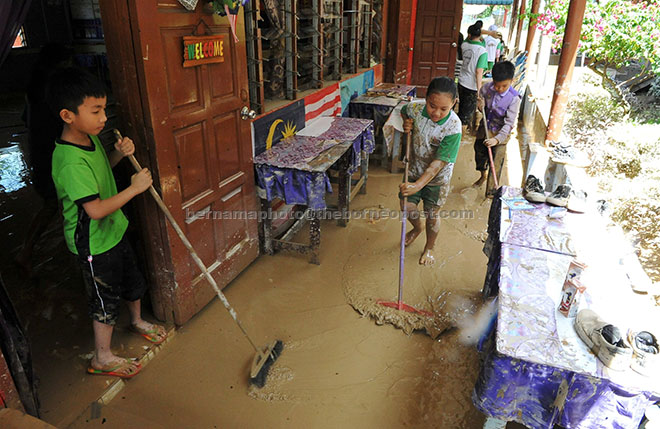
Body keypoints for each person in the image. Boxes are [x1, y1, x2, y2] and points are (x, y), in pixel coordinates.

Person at [47, 67, 167, 378]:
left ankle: (138, 321)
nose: (104, 117)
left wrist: (117, 154)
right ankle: (102, 357)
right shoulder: (70, 161)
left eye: (103, 109)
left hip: (114, 232)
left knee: (132, 280)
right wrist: (135, 187)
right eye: (96, 110)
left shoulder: (90, 138)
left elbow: (102, 172)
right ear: (67, 115)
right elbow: (95, 210)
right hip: (94, 244)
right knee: (105, 300)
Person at [14, 44, 72, 276]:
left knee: (55, 203)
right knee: (52, 204)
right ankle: (25, 252)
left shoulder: (36, 86)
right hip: (50, 155)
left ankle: (27, 252)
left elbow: (26, 120)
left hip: (40, 152)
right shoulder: (52, 90)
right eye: (67, 63)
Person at [399, 76, 462, 266]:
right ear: (425, 99)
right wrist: (406, 123)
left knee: (432, 214)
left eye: (444, 109)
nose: (436, 112)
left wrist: (418, 185)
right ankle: (416, 229)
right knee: (406, 206)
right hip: (414, 168)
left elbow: (439, 163)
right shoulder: (417, 109)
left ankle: (429, 247)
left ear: (454, 103)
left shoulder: (453, 127)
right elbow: (404, 110)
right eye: (432, 106)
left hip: (437, 178)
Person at [472, 61, 521, 193]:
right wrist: (480, 105)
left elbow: (509, 123)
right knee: (480, 153)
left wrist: (497, 139)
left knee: (496, 161)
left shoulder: (514, 99)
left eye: (504, 86)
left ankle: (491, 192)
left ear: (512, 80)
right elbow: (480, 98)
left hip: (501, 133)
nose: (499, 89)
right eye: (496, 85)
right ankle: (483, 176)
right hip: (485, 128)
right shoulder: (486, 88)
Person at [458, 24, 488, 134]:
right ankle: (460, 140)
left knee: (462, 108)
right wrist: (479, 91)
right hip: (471, 86)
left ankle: (462, 131)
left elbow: (469, 37)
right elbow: (479, 72)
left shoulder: (464, 45)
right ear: (480, 35)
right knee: (465, 116)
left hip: (461, 82)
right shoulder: (482, 51)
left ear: (469, 34)